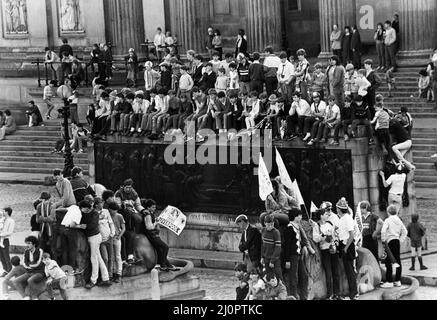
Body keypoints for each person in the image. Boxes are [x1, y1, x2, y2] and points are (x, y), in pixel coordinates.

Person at [76, 200, 112, 289]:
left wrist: (84, 226)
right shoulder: (85, 213)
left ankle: (93, 281)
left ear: (86, 208)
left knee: (94, 258)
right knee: (98, 258)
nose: (81, 210)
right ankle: (106, 278)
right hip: (92, 237)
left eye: (82, 208)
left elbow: (92, 225)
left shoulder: (94, 213)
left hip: (95, 237)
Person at [283, 209, 315, 300]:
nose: (301, 217)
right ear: (295, 216)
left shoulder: (297, 226)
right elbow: (287, 246)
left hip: (298, 255)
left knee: (304, 275)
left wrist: (303, 246)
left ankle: (304, 297)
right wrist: (287, 260)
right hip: (292, 256)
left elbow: (299, 241)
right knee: (293, 278)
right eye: (299, 215)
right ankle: (293, 297)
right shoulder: (289, 228)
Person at [311, 209, 340, 300]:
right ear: (321, 215)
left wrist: (335, 241)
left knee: (336, 272)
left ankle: (337, 293)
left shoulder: (330, 224)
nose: (327, 215)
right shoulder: (316, 225)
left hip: (333, 249)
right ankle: (330, 294)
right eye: (325, 214)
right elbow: (315, 238)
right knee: (328, 273)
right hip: (325, 250)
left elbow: (336, 234)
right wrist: (322, 236)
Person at [143, 199, 177, 271]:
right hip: (151, 235)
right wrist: (156, 222)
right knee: (165, 247)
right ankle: (163, 264)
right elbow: (149, 227)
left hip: (154, 235)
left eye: (155, 207)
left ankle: (167, 265)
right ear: (148, 207)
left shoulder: (151, 214)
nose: (154, 209)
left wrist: (157, 222)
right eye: (152, 207)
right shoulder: (147, 215)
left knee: (160, 250)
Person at [335, 198, 359, 300]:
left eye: (337, 209)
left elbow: (351, 235)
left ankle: (354, 293)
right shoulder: (342, 219)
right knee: (347, 270)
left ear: (339, 209)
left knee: (350, 271)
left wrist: (345, 248)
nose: (336, 210)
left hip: (347, 246)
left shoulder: (347, 218)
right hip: (343, 244)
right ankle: (352, 292)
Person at [381, 205, 407, 288]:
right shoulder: (399, 220)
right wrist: (400, 240)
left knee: (388, 261)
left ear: (388, 212)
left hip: (389, 242)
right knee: (397, 260)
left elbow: (383, 231)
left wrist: (383, 240)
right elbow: (405, 231)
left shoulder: (387, 220)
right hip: (396, 241)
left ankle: (389, 281)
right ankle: (397, 280)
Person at [261, 215, 283, 282]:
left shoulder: (276, 232)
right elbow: (262, 245)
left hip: (274, 260)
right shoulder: (263, 230)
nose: (270, 226)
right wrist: (262, 257)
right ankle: (271, 291)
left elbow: (278, 248)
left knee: (278, 277)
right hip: (266, 258)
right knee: (269, 277)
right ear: (265, 223)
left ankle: (283, 291)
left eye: (272, 224)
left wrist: (272, 261)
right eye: (268, 224)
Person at [108, 202, 125, 282]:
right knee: (112, 256)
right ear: (109, 209)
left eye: (115, 210)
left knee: (118, 256)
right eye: (113, 210)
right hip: (109, 238)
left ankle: (119, 273)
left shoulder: (119, 216)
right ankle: (112, 273)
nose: (114, 212)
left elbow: (123, 228)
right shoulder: (107, 216)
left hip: (117, 238)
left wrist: (119, 236)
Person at [0, 208, 14, 276]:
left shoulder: (11, 221)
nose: (2, 212)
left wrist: (0, 234)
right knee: (1, 257)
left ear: (7, 212)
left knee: (6, 256)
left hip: (5, 240)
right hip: (0, 239)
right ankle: (5, 270)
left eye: (4, 211)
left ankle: (10, 271)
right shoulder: (2, 219)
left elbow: (9, 232)